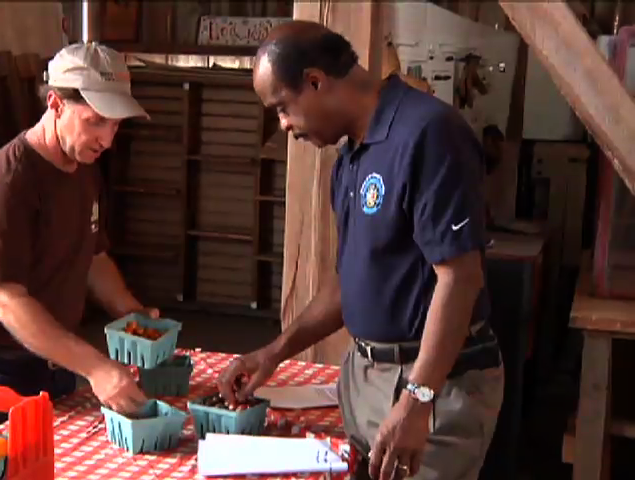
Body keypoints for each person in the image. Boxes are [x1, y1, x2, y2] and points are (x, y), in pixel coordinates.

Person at [216, 21, 504, 480]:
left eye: (282, 108)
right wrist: (274, 352)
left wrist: (417, 399)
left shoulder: (427, 133)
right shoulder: (351, 158)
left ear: (315, 81)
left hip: (434, 385)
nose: (284, 125)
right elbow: (350, 282)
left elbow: (460, 277)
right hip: (365, 376)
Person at [0, 42, 154, 430]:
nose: (107, 140)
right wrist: (96, 367)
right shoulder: (6, 182)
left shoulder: (84, 167)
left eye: (116, 124)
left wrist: (131, 312)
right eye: (95, 121)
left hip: (55, 360)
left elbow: (92, 256)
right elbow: (6, 301)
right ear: (55, 104)